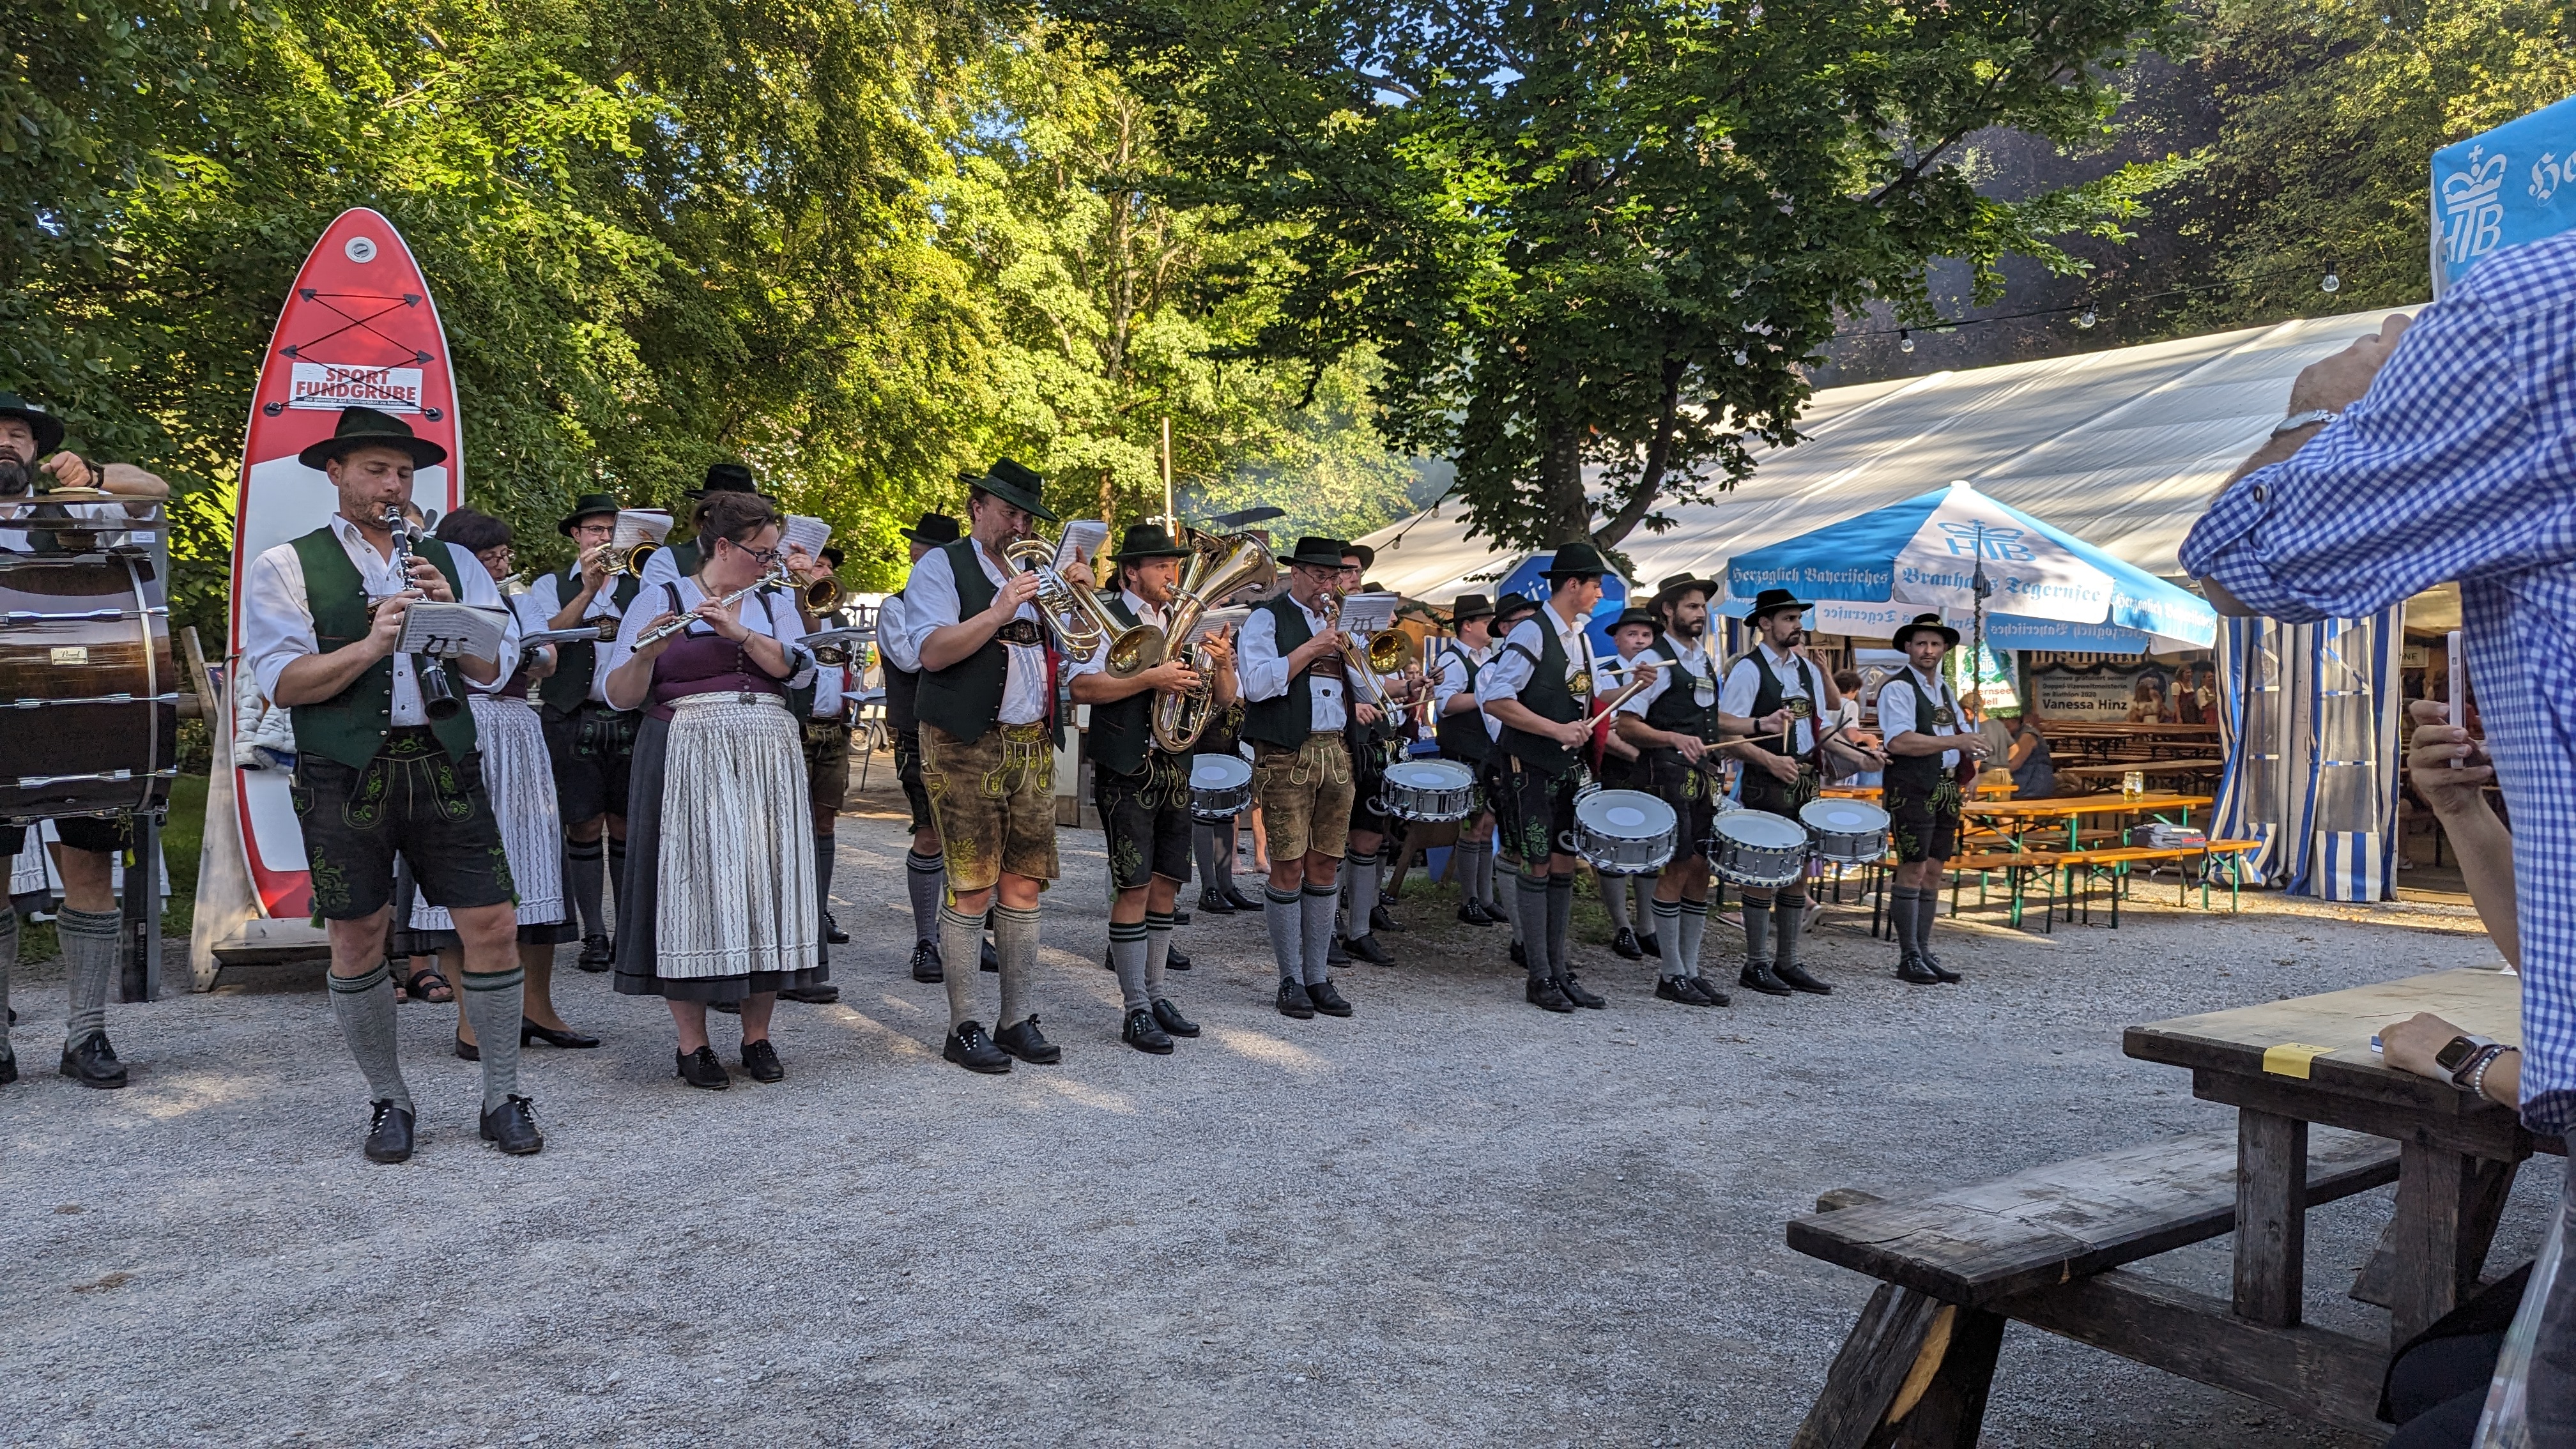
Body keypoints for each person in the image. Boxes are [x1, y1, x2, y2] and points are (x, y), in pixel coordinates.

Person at [2181, 277, 2576, 1432]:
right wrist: (2463, 820)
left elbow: (2243, 554)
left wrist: (2318, 409)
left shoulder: (2527, 312)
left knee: (2434, 1392)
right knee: (2432, 1375)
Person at [242, 405, 540, 1160]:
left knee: (494, 925)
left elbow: (498, 670)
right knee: (357, 934)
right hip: (343, 769)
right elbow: (282, 683)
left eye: (404, 473)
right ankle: (389, 1100)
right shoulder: (286, 564)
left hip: (443, 758)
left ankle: (502, 1093)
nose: (393, 485)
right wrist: (375, 643)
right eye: (376, 469)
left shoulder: (455, 560)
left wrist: (451, 609)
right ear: (336, 472)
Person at [601, 486, 823, 1089]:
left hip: (766, 753)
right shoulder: (662, 595)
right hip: (687, 749)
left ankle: (758, 1037)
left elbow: (798, 669)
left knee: (766, 885)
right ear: (724, 546)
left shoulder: (772, 601)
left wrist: (741, 633)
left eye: (775, 553)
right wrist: (651, 652)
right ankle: (691, 1044)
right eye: (763, 553)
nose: (772, 564)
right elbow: (618, 693)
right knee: (692, 885)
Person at [0, 392, 169, 1089]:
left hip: (82, 718)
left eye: (19, 435)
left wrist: (93, 475)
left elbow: (154, 490)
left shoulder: (68, 513)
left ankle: (86, 1035)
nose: (7, 443)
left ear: (36, 453)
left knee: (91, 874)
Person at [906, 459, 1087, 1071]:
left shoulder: (1039, 574)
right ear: (977, 506)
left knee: (1025, 883)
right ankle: (964, 1025)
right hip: (964, 741)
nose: (1019, 525)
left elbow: (1083, 650)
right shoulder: (941, 566)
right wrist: (999, 608)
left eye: (1026, 517)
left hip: (1030, 741)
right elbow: (930, 653)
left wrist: (1081, 597)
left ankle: (1014, 1019)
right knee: (973, 884)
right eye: (1009, 512)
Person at [410, 509, 597, 1061]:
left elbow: (545, 656)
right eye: (489, 556)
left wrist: (532, 652)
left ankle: (537, 1008)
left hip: (517, 728)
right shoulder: (431, 595)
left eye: (503, 554)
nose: (501, 563)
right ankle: (472, 1022)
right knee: (461, 872)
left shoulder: (516, 598)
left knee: (535, 863)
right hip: (460, 726)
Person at [1067, 523, 1232, 1053]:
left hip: (1176, 764)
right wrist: (1150, 680)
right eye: (1162, 565)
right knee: (1134, 886)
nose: (1172, 574)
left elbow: (1225, 701)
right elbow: (1081, 687)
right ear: (1132, 571)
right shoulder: (1105, 613)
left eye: (1175, 565)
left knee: (1167, 884)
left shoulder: (1184, 621)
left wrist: (1223, 666)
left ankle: (1157, 993)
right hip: (1129, 766)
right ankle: (1134, 1006)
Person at [1480, 542, 1652, 1013]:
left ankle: (1559, 969)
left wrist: (1633, 684)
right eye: (1595, 584)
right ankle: (1539, 976)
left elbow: (1589, 699)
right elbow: (1496, 700)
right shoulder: (1532, 634)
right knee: (1537, 864)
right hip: (1528, 768)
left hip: (1566, 770)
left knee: (1561, 864)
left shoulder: (1578, 636)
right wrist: (1556, 729)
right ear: (1572, 585)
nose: (1600, 592)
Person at [1619, 574, 1789, 1008]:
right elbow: (1627, 724)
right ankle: (1670, 973)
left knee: (1700, 870)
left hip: (1705, 775)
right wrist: (1672, 739)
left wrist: (1759, 725)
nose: (1700, 613)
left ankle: (1690, 970)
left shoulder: (1702, 659)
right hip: (1668, 775)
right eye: (1691, 606)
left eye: (1702, 606)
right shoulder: (1655, 661)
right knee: (1676, 869)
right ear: (1668, 612)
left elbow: (1713, 721)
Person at [1238, 535, 1372, 1020]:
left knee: (1325, 865)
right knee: (1288, 866)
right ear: (1295, 574)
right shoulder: (1267, 619)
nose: (1328, 585)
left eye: (1334, 577)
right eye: (1319, 576)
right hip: (1286, 756)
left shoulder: (1339, 624)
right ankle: (1289, 978)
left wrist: (1364, 657)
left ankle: (1318, 975)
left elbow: (1364, 687)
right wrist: (1312, 647)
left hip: (1336, 752)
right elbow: (1255, 686)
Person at [528, 492, 638, 973]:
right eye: (595, 530)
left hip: (629, 715)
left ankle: (630, 931)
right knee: (583, 824)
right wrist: (589, 591)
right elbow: (543, 638)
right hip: (572, 715)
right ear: (576, 535)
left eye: (612, 530)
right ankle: (594, 932)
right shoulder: (550, 584)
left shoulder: (642, 584)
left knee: (627, 825)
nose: (605, 538)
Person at [1719, 588, 1842, 997]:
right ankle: (1755, 964)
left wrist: (1854, 756)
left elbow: (1816, 730)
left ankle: (1788, 960)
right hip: (1765, 779)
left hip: (1804, 778)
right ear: (1765, 623)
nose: (1797, 625)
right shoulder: (1749, 670)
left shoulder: (1805, 669)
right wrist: (1768, 760)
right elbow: (1723, 730)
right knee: (1761, 871)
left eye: (1798, 618)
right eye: (1789, 618)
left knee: (1797, 871)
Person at [875, 511, 980, 984]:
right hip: (919, 732)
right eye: (920, 547)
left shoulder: (966, 602)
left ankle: (962, 932)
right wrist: (962, 635)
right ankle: (925, 941)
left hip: (971, 729)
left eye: (932, 549)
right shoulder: (895, 606)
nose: (923, 554)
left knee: (977, 841)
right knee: (930, 834)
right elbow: (915, 657)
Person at [1875, 613, 1988, 985]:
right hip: (1913, 787)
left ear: (1944, 649)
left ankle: (1924, 950)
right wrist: (1956, 743)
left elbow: (1959, 733)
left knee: (1936, 869)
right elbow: (1899, 741)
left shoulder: (1944, 689)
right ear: (1908, 647)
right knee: (1913, 866)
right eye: (1921, 643)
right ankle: (1908, 956)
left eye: (1935, 644)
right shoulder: (1898, 689)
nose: (1928, 650)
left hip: (1945, 788)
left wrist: (1969, 766)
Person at [1333, 544, 1410, 968]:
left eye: (1357, 571)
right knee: (1324, 840)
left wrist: (1404, 689)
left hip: (1372, 742)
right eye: (1345, 572)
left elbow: (1376, 687)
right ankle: (1325, 928)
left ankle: (1359, 930)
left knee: (1369, 833)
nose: (1354, 578)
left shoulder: (1369, 631)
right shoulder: (1321, 624)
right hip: (1334, 741)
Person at [783, 542, 852, 1005]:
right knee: (791, 827)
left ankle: (818, 911)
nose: (820, 572)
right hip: (798, 727)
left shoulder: (843, 624)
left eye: (825, 567)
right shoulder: (788, 611)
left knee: (825, 821)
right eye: (815, 566)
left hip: (834, 731)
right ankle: (796, 924)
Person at [1429, 594, 1503, 926]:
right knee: (1473, 826)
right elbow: (1445, 705)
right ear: (1468, 625)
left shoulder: (1488, 656)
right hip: (1463, 752)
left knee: (1487, 825)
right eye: (1487, 621)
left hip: (1485, 750)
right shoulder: (1453, 660)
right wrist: (1488, 697)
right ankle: (1469, 899)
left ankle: (1485, 897)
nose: (1493, 627)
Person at [1595, 606, 1662, 960]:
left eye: (1646, 635)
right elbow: (1604, 731)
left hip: (1654, 770)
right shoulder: (1604, 674)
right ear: (1618, 639)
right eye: (1632, 635)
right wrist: (1638, 756)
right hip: (1619, 769)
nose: (1640, 641)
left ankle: (1647, 927)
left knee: (1652, 848)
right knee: (1616, 847)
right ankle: (1621, 927)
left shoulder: (1662, 673)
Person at [2000, 707, 2056, 799]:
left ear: (2015, 720)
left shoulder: (2028, 735)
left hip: (2032, 789)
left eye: (2004, 721)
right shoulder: (2009, 735)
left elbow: (2015, 763)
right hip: (2018, 787)